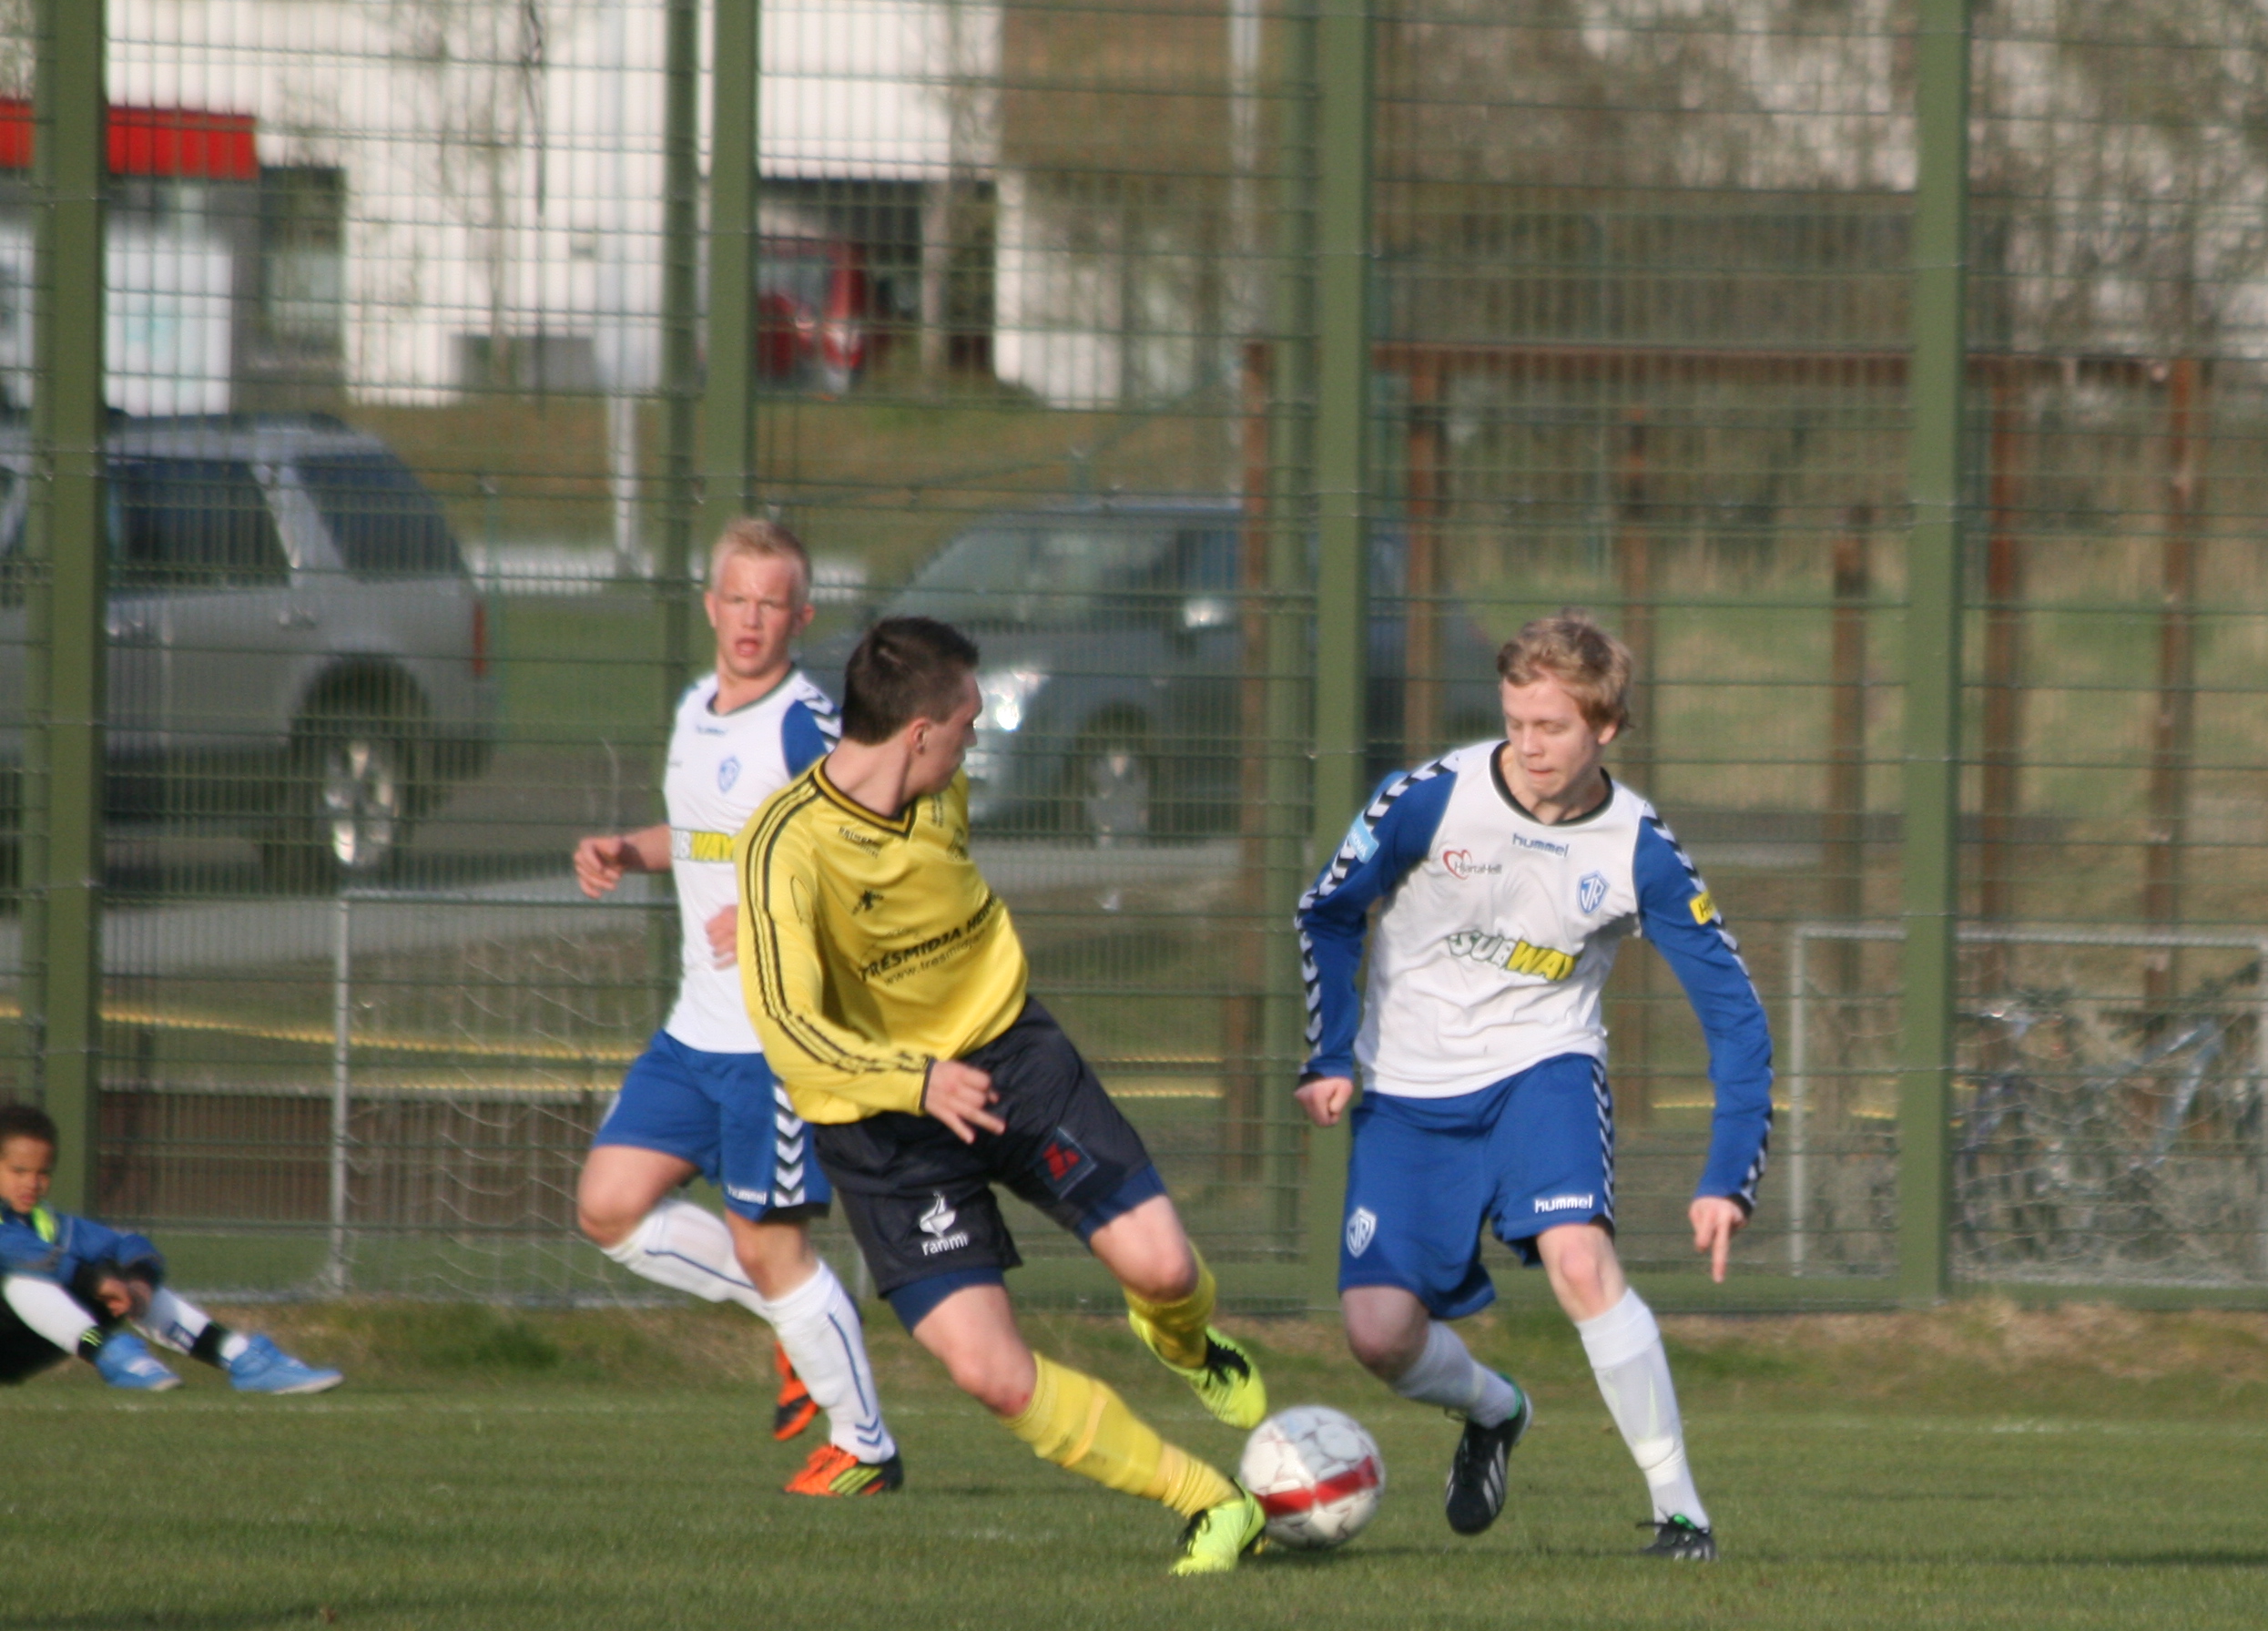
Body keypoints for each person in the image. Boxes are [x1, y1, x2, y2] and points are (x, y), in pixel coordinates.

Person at [736, 614, 1274, 1575]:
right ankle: (1213, 1502)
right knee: (989, 1371)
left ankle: (1187, 1345)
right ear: (918, 732)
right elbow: (789, 1030)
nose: (975, 739)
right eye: (967, 722)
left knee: (1165, 1270)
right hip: (888, 1128)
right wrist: (916, 1079)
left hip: (1010, 1059)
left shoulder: (940, 791)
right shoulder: (786, 847)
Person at [1293, 610, 1770, 1559]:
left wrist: (1727, 1176)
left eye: (1551, 727)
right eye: (1515, 722)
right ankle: (1495, 1410)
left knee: (1580, 1261)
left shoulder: (1638, 848)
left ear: (1607, 727)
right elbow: (1328, 912)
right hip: (1408, 1089)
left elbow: (1735, 1015)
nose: (1529, 746)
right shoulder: (1429, 799)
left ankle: (1682, 1515)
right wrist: (1332, 1052)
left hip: (1542, 1071)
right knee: (1379, 1336)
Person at [572, 516, 900, 1496]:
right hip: (692, 1034)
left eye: (773, 603)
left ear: (802, 617)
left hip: (775, 1041)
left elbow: (871, 859)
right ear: (712, 606)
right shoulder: (695, 710)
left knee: (772, 1248)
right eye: (738, 599)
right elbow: (702, 834)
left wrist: (768, 917)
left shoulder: (807, 724)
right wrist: (629, 850)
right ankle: (799, 1320)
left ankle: (866, 1448)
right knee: (608, 1207)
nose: (752, 618)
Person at [0, 1103, 340, 1395]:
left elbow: (127, 1244)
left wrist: (139, 1281)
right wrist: (96, 1282)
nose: (32, 1183)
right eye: (19, 1171)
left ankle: (243, 1359)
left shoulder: (46, 1222)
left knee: (117, 1274)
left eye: (43, 1173)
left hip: (18, 1349)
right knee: (24, 1275)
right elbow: (19, 1251)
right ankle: (112, 1355)